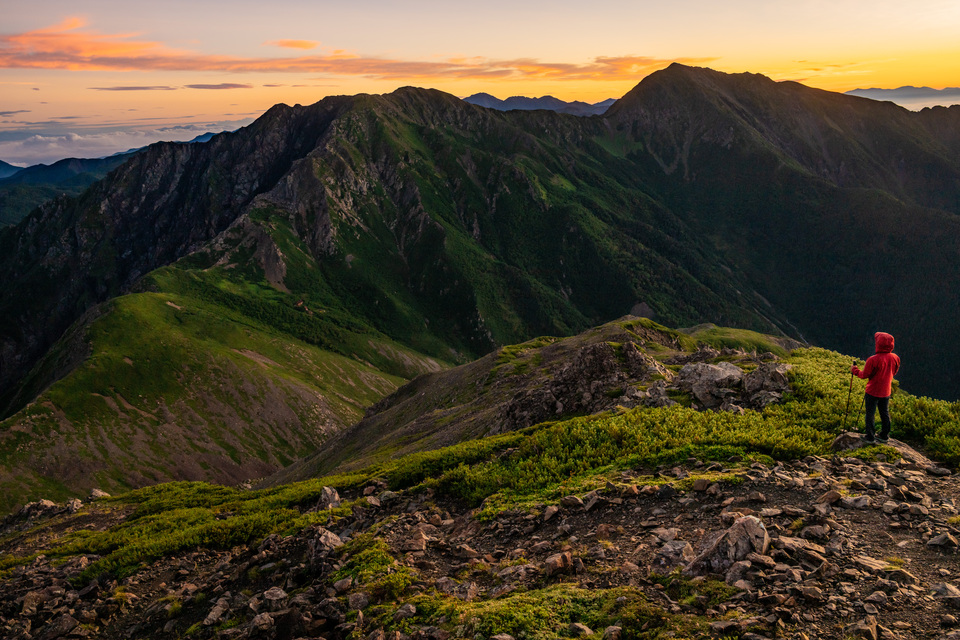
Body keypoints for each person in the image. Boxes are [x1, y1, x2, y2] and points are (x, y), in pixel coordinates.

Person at [851, 332, 900, 443]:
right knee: (885, 413)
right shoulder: (895, 358)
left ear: (878, 344)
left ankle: (870, 437)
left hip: (872, 391)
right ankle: (884, 435)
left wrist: (855, 370)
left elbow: (864, 375)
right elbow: (894, 372)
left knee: (870, 414)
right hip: (886, 391)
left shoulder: (873, 359)